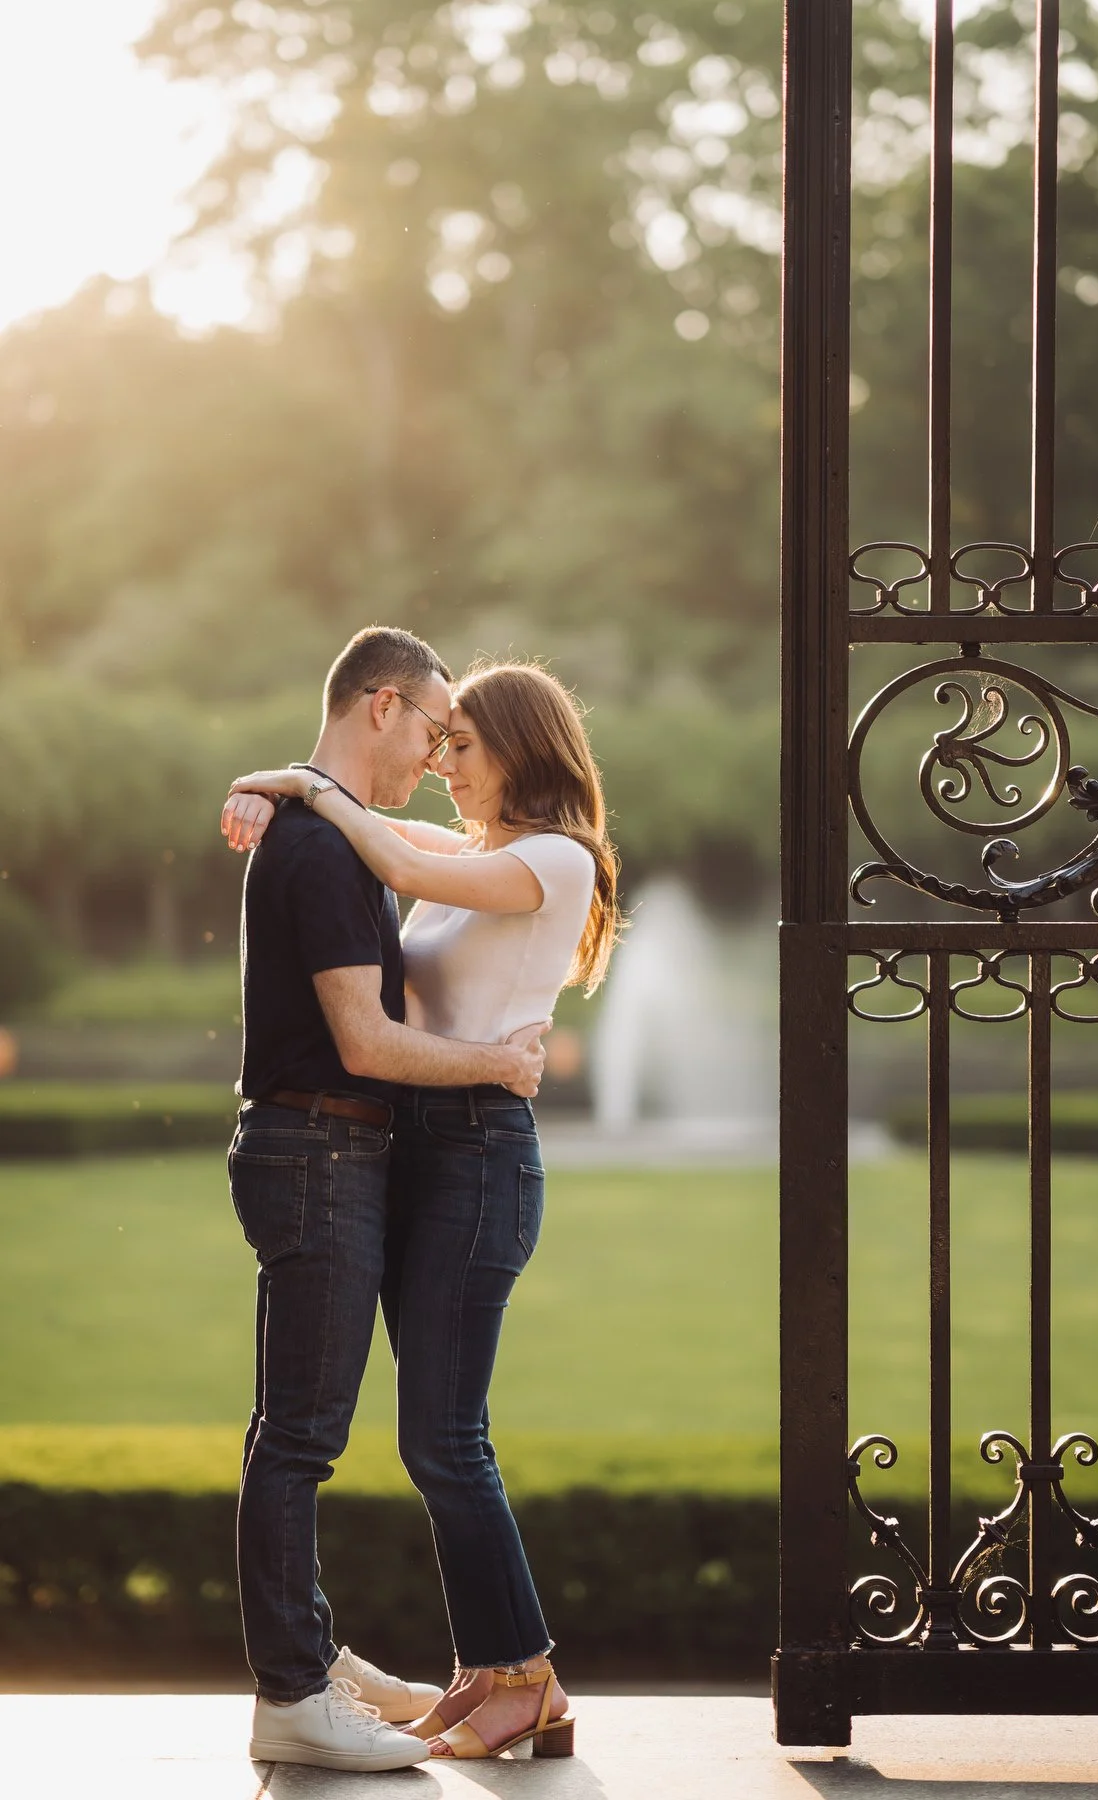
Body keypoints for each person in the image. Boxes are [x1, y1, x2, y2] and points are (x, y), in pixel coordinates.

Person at [222, 659, 621, 1762]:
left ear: (523, 749)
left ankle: (525, 1677)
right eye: (438, 742)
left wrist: (301, 785)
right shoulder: (483, 852)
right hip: (428, 1152)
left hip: (481, 1152)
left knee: (446, 1437)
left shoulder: (555, 857)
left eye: (464, 746)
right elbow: (368, 824)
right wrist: (275, 784)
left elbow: (387, 851)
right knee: (433, 1435)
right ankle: (492, 1669)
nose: (445, 765)